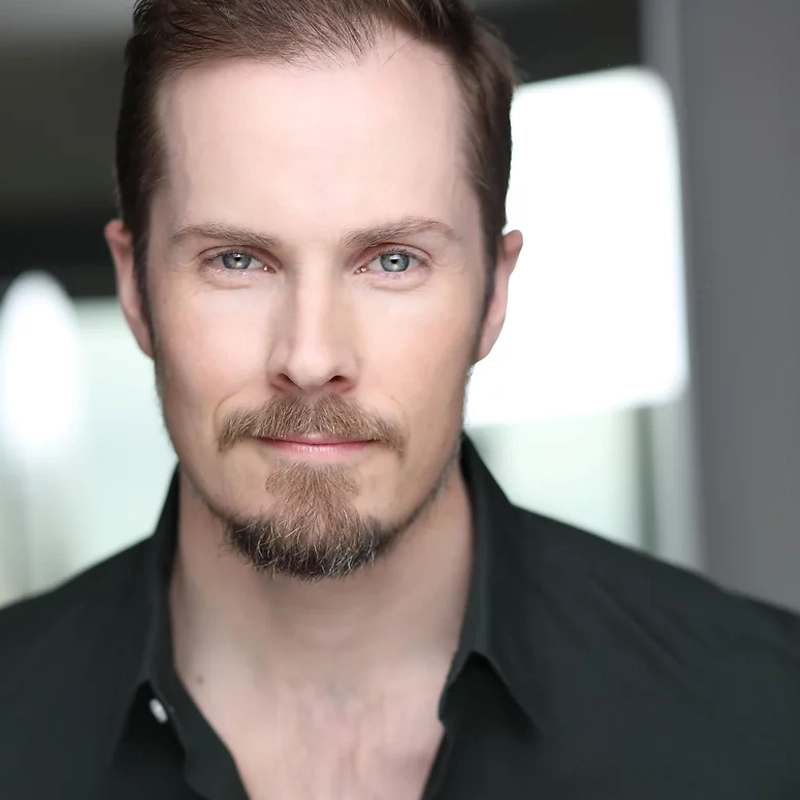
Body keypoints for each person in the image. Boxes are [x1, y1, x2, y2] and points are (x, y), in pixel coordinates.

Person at [1, 0, 799, 797]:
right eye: (237, 260)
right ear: (134, 289)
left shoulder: (766, 717)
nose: (311, 358)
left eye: (393, 261)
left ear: (493, 294)